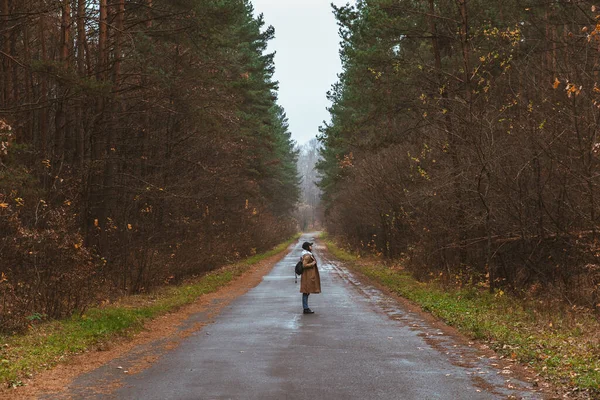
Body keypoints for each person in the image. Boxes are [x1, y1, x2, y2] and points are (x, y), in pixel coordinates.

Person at [300, 241, 321, 314]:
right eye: (310, 246)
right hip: (307, 276)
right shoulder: (307, 255)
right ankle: (305, 308)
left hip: (307, 275)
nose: (311, 247)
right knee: (306, 292)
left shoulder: (307, 254)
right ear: (307, 247)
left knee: (306, 292)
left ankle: (306, 308)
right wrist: (312, 263)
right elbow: (304, 265)